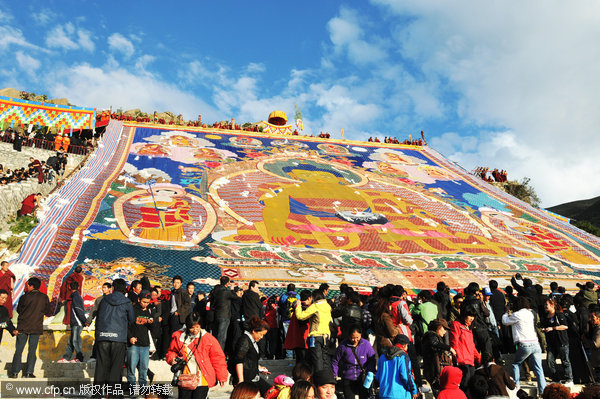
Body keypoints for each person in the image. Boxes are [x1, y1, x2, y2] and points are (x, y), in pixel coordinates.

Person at [167, 312, 228, 399]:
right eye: (192, 327)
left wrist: (222, 376)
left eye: (197, 327)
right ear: (187, 326)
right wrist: (172, 359)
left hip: (202, 379)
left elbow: (218, 358)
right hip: (185, 378)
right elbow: (171, 351)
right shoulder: (179, 336)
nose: (195, 330)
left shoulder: (208, 338)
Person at [94, 278, 135, 387]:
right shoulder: (127, 302)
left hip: (102, 337)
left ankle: (96, 395)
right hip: (118, 338)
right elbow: (132, 320)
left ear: (113, 288)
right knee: (116, 369)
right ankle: (113, 395)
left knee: (100, 368)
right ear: (124, 289)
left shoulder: (104, 300)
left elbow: (98, 318)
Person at [501, 296, 546, 394]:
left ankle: (517, 388)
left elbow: (505, 322)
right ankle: (543, 391)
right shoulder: (530, 313)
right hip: (535, 343)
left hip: (525, 344)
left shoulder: (517, 314)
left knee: (516, 364)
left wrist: (506, 312)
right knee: (538, 368)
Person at [10, 277, 50, 378]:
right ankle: (29, 372)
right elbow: (47, 311)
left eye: (28, 285)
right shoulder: (44, 297)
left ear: (31, 286)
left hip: (23, 326)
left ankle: (15, 372)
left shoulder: (24, 297)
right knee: (32, 350)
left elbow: (19, 310)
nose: (27, 287)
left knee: (19, 350)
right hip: (36, 327)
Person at [231, 316, 272, 396]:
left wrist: (259, 368)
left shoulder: (252, 341)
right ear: (254, 331)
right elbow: (239, 361)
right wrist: (241, 380)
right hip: (247, 379)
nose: (261, 337)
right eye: (260, 334)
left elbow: (250, 359)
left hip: (253, 376)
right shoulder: (244, 340)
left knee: (270, 393)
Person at [332, 326, 376, 399]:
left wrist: (370, 371)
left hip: (362, 378)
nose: (355, 340)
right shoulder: (343, 346)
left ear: (361, 335)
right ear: (348, 336)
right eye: (352, 338)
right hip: (347, 378)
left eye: (357, 337)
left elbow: (372, 359)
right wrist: (335, 375)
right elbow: (335, 361)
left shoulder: (366, 344)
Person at [295, 289, 333, 372]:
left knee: (317, 361)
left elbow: (300, 316)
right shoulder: (327, 306)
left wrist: (298, 306)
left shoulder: (315, 306)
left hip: (315, 336)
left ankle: (318, 380)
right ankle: (326, 378)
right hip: (326, 336)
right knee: (325, 360)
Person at [541, 298, 573, 385]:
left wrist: (553, 328)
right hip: (551, 342)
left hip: (561, 341)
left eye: (546, 305)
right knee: (550, 361)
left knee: (565, 361)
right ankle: (556, 379)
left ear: (552, 305)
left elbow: (565, 326)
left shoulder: (559, 315)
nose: (545, 306)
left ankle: (569, 379)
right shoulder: (546, 316)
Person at [375, 334, 418, 399]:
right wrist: (414, 390)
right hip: (400, 395)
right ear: (404, 345)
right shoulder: (403, 357)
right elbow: (406, 376)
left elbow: (378, 376)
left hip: (384, 394)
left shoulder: (382, 356)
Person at [127, 290, 154, 387]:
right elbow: (127, 325)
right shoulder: (132, 310)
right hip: (133, 344)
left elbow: (152, 329)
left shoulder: (149, 310)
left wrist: (152, 323)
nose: (145, 304)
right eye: (144, 302)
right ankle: (132, 389)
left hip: (145, 344)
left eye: (147, 302)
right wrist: (130, 337)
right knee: (131, 369)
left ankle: (143, 389)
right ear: (139, 300)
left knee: (143, 369)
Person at [449, 307, 481, 390]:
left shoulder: (469, 329)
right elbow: (454, 341)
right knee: (465, 383)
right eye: (470, 315)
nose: (472, 318)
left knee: (471, 384)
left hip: (470, 360)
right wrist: (455, 356)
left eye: (473, 316)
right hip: (462, 360)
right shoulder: (456, 324)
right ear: (464, 315)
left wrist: (479, 358)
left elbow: (472, 345)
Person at [421, 318, 456, 392]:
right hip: (432, 371)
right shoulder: (431, 335)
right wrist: (449, 348)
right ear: (438, 327)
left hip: (434, 370)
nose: (445, 331)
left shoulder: (433, 336)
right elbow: (434, 343)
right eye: (444, 328)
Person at [58, 281, 86, 363]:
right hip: (75, 321)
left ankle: (79, 357)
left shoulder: (76, 297)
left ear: (69, 287)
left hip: (78, 322)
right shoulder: (74, 296)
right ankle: (67, 357)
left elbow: (78, 310)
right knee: (71, 340)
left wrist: (84, 320)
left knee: (75, 340)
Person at [211, 276, 238, 350]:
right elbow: (235, 297)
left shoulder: (216, 291)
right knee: (222, 337)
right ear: (227, 283)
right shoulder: (226, 292)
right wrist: (232, 289)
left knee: (216, 335)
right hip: (224, 316)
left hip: (216, 315)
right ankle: (219, 353)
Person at [279, 283, 299, 359]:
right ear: (295, 289)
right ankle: (296, 354)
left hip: (285, 320)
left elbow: (280, 305)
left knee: (287, 337)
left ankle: (289, 355)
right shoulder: (297, 296)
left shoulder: (284, 296)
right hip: (295, 320)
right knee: (295, 336)